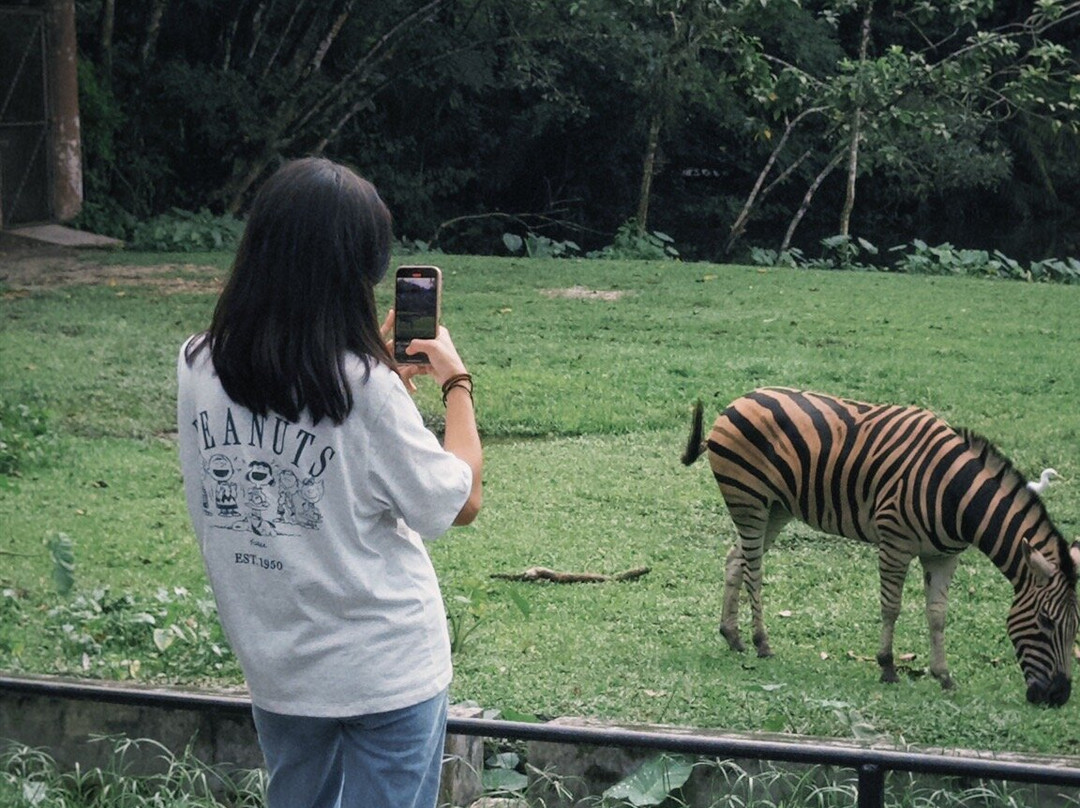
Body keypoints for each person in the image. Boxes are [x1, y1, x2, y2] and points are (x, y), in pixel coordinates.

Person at [176, 156, 482, 808]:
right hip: (387, 672)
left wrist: (378, 377)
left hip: (280, 667)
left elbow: (315, 435)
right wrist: (456, 383)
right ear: (357, 271)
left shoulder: (196, 363)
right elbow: (459, 502)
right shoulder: (363, 390)